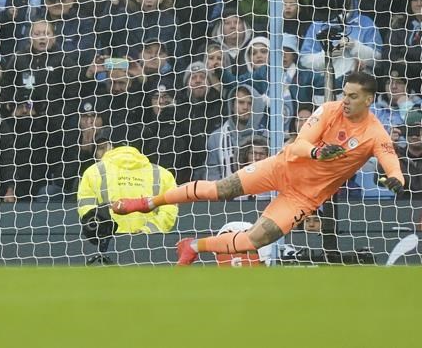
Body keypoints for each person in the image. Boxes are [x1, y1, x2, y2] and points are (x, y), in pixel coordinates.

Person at [113, 72, 405, 265]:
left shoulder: (375, 132)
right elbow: (302, 142)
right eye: (344, 94)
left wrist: (395, 178)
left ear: (369, 100)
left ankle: (193, 246)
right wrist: (317, 151)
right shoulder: (329, 110)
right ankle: (146, 202)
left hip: (304, 197)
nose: (346, 101)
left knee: (258, 238)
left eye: (353, 97)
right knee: (220, 189)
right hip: (283, 167)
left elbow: (390, 158)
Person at [76, 140, 178, 265]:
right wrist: (147, 231)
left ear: (112, 146)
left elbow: (87, 209)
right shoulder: (163, 174)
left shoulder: (93, 171)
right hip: (150, 250)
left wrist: (103, 231)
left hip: (109, 247)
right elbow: (169, 212)